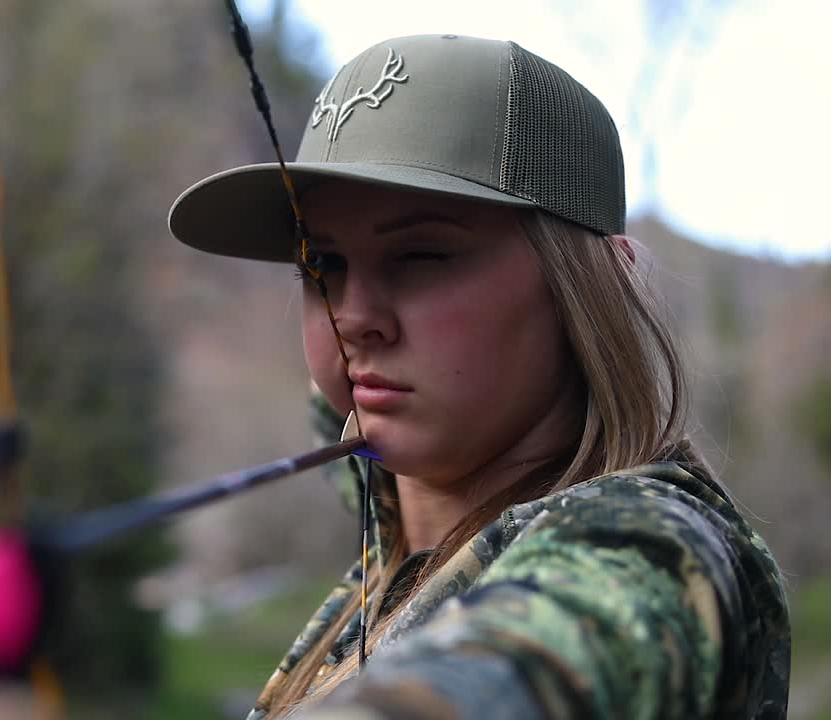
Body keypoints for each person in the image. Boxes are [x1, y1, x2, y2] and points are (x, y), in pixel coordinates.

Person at [168, 34, 789, 719]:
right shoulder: (396, 486)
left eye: (424, 255)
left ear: (588, 291)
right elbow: (338, 405)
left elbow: (533, 660)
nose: (353, 318)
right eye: (323, 266)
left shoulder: (647, 550)